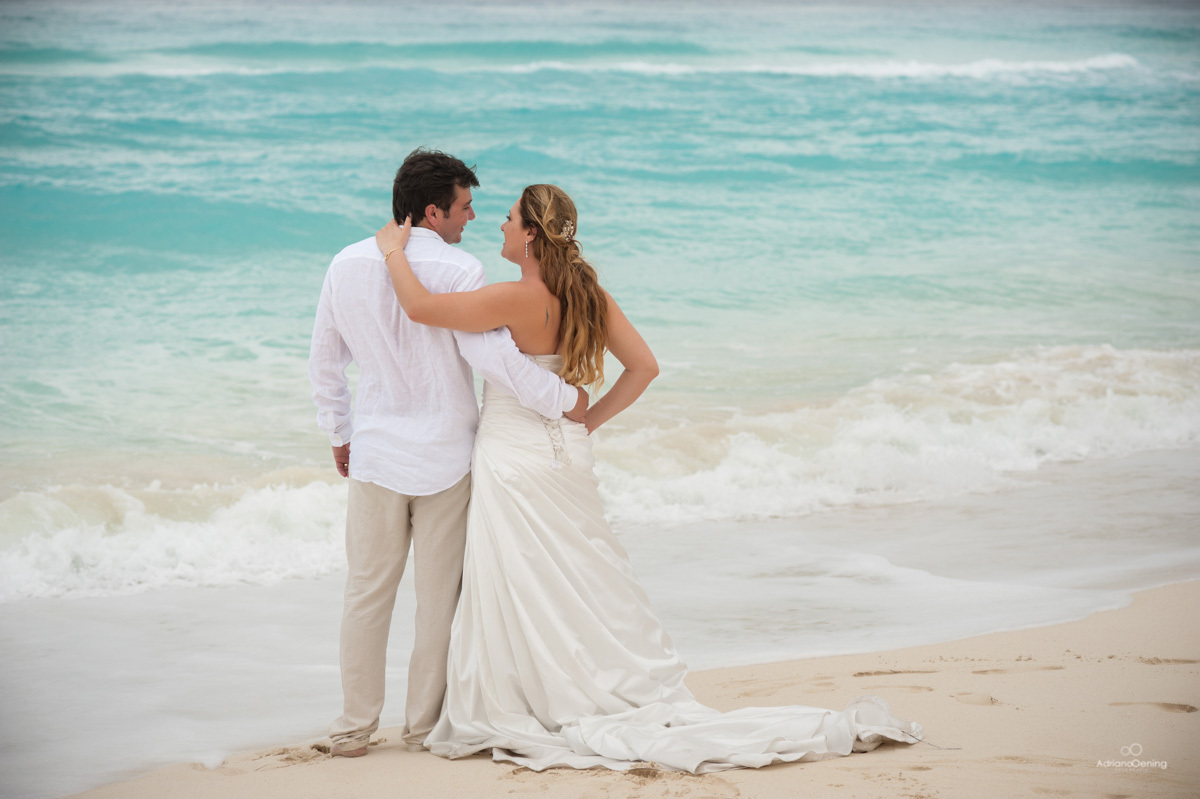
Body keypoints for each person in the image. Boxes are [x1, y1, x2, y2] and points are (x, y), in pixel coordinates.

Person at [373, 184, 922, 773]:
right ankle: (594, 683)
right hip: (566, 457)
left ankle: (541, 693)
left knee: (526, 582)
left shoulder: (513, 297)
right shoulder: (587, 293)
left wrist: (392, 252)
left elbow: (421, 309)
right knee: (581, 576)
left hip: (515, 459)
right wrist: (590, 423)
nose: (499, 227)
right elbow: (645, 367)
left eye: (508, 220)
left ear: (532, 233)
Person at [308, 150, 588, 758]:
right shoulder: (461, 268)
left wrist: (339, 433)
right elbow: (492, 361)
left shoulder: (347, 263)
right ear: (433, 211)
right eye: (464, 206)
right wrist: (565, 398)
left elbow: (326, 362)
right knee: (438, 603)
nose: (472, 216)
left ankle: (354, 728)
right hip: (446, 460)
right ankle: (419, 728)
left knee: (365, 594)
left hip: (377, 455)